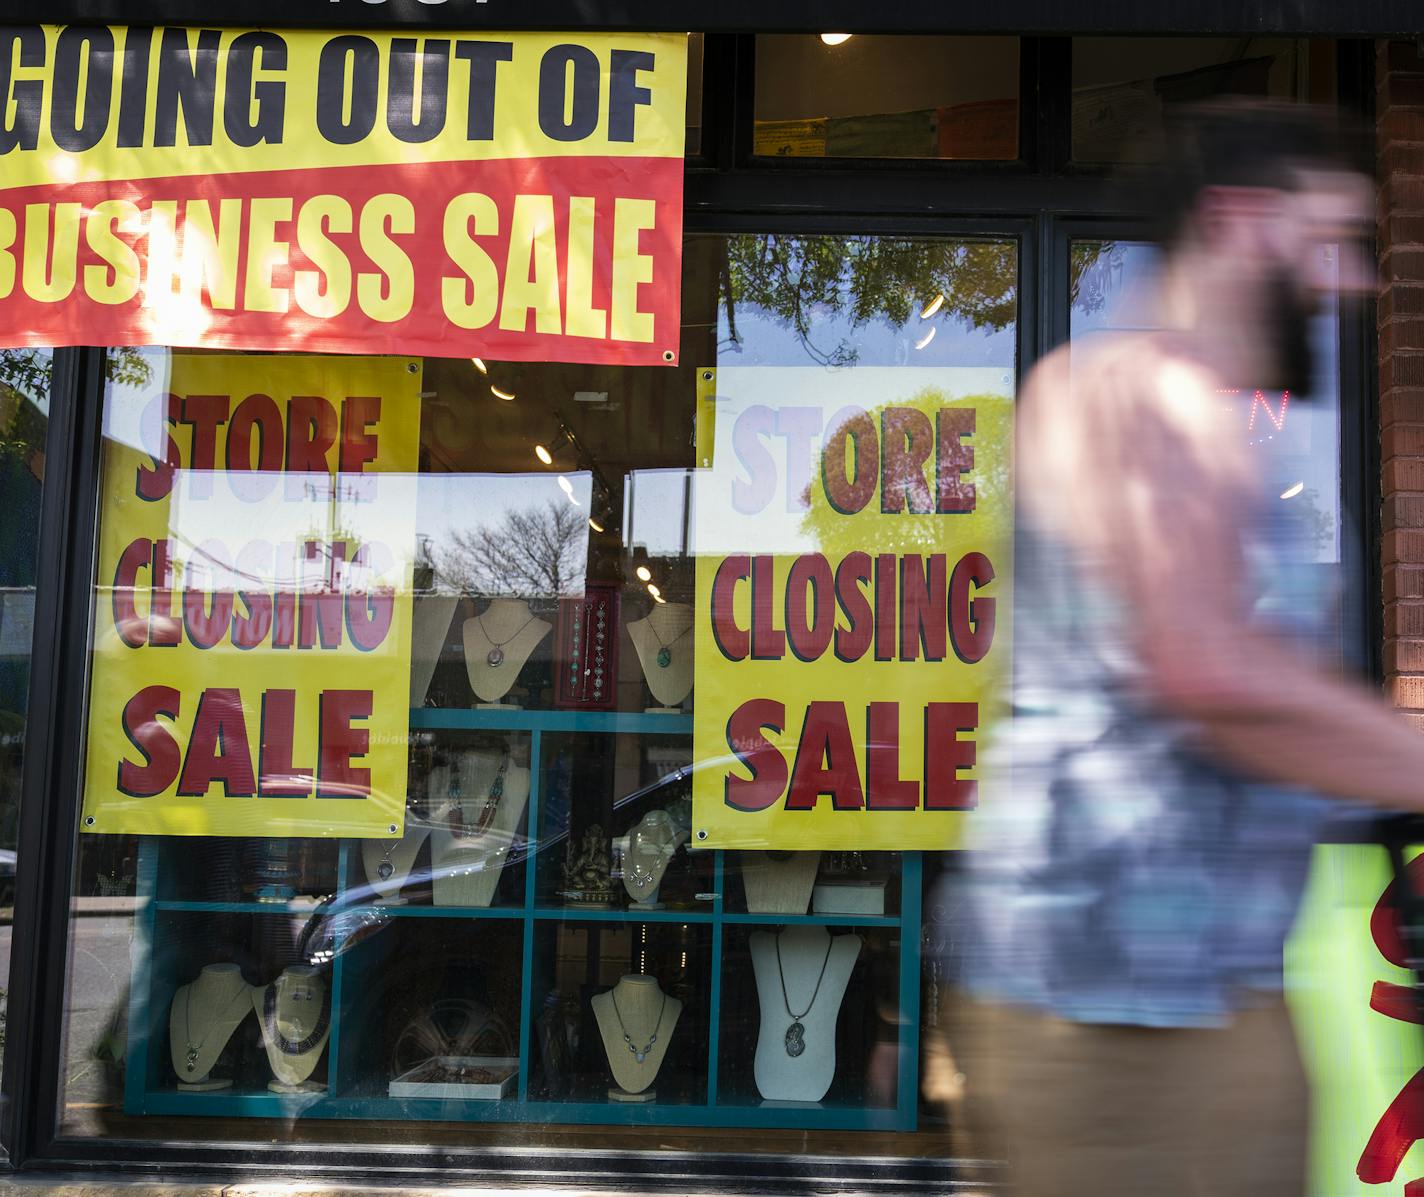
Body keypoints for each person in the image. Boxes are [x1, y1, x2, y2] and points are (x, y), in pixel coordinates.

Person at [950, 102, 1424, 1197]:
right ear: (1238, 221)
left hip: (1210, 997)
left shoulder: (1204, 422)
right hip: (1111, 1026)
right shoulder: (1122, 393)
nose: (1353, 279)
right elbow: (1207, 670)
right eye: (1330, 239)